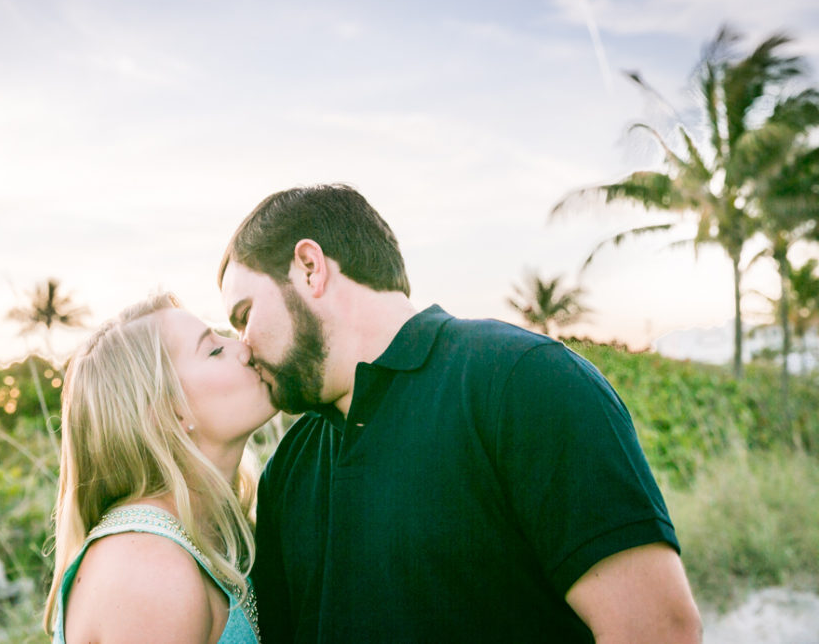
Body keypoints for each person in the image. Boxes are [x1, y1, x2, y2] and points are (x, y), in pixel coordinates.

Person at [217, 184, 702, 643]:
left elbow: (657, 629)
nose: (242, 347)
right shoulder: (289, 466)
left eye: (244, 316)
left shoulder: (524, 381)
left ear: (309, 267)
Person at [42, 292, 273, 643]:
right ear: (168, 414)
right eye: (213, 350)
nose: (243, 347)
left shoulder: (197, 536)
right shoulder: (147, 570)